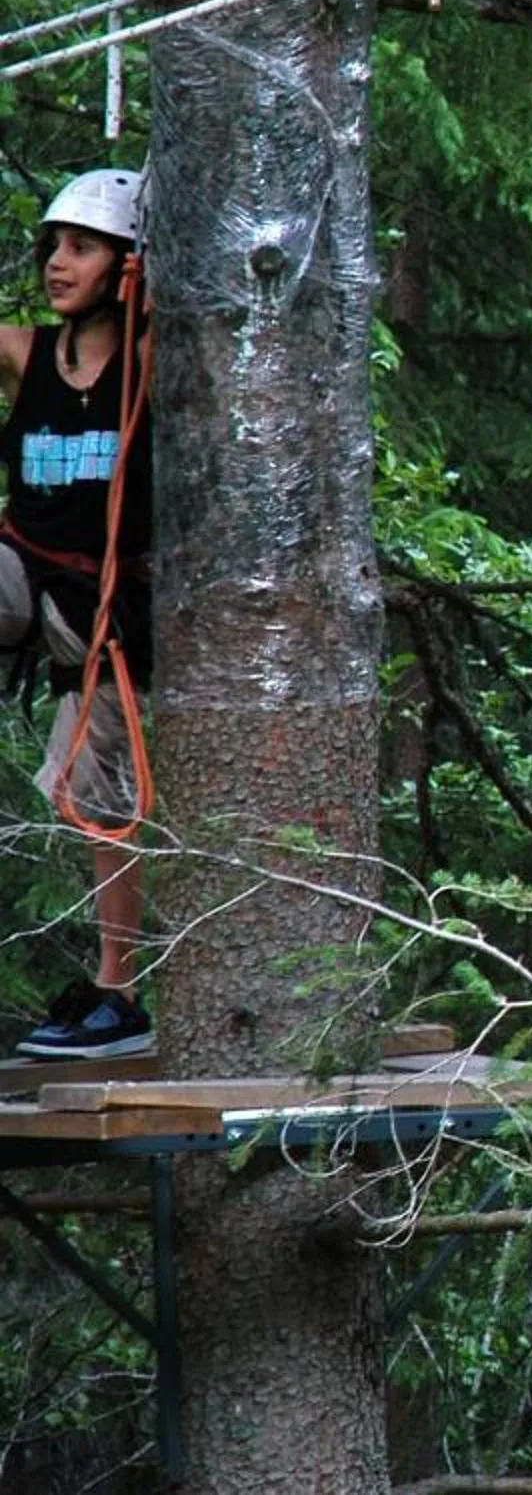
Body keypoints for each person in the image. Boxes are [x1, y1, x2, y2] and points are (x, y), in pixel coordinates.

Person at [5, 168, 153, 1060]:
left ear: (126, 265)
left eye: (84, 247)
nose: (60, 263)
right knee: (98, 799)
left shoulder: (147, 361)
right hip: (33, 586)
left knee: (103, 805)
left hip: (109, 614)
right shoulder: (27, 355)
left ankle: (117, 995)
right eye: (55, 246)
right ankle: (113, 994)